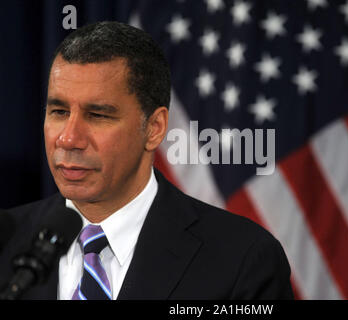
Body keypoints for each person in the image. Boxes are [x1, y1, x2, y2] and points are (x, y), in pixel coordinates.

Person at [0, 21, 293, 300]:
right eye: (59, 112)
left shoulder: (242, 260)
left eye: (98, 115)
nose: (68, 139)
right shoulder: (6, 240)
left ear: (154, 129)